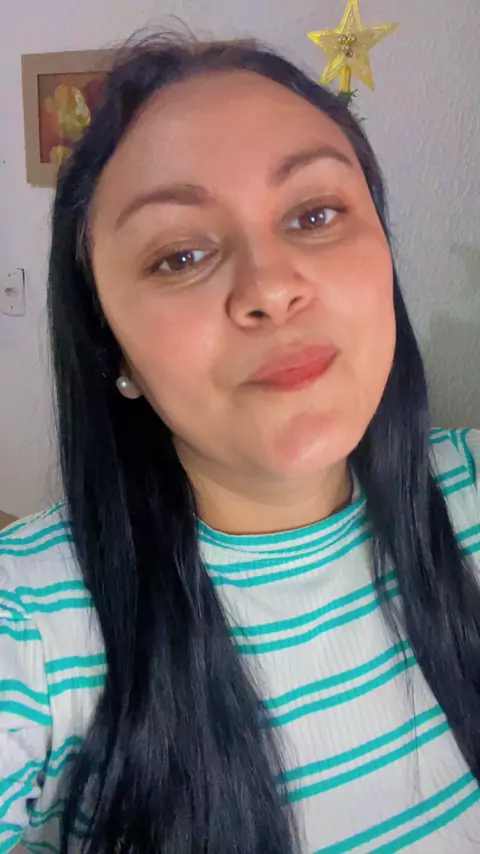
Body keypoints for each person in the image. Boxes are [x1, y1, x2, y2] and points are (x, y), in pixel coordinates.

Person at [0, 34, 479, 854]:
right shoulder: (31, 626)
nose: (271, 287)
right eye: (180, 255)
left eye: (315, 214)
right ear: (114, 350)